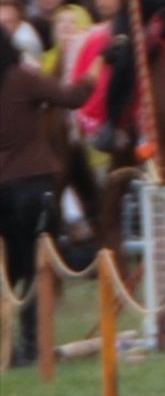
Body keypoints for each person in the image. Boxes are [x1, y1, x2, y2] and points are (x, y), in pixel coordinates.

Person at [0, 27, 95, 367]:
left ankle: (9, 349)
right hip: (31, 183)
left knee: (9, 270)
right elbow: (72, 97)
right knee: (37, 266)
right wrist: (96, 69)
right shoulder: (21, 78)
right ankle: (33, 344)